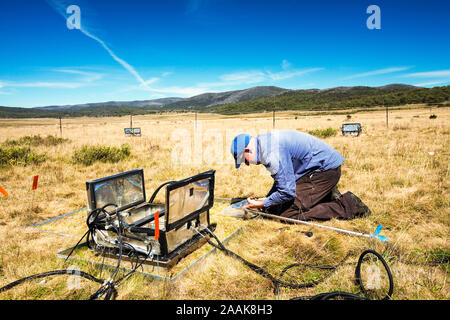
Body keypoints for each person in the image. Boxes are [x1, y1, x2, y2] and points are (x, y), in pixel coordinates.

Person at [230, 130, 371, 221]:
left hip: (325, 172)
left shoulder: (271, 154)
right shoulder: (265, 143)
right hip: (317, 170)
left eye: (244, 161)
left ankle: (348, 205)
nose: (247, 164)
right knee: (276, 206)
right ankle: (326, 193)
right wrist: (267, 200)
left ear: (247, 150)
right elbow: (282, 180)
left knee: (287, 215)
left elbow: (287, 192)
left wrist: (263, 202)